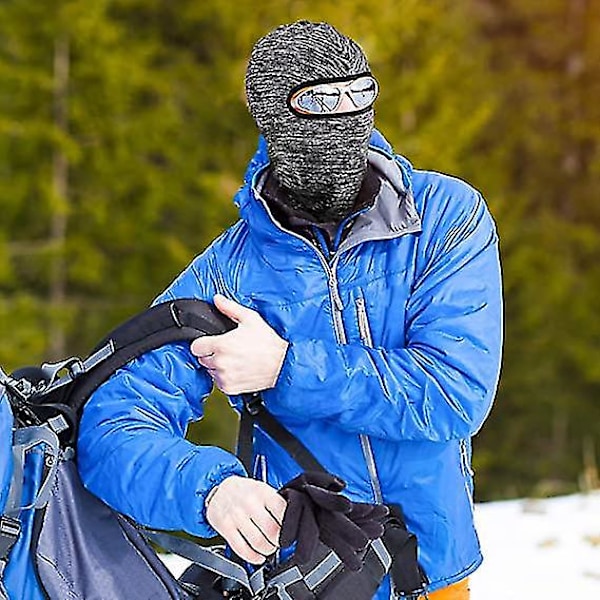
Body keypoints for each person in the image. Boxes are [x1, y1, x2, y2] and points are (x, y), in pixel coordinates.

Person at [78, 20, 502, 600]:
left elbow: (455, 392)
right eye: (322, 100)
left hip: (433, 571)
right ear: (275, 117)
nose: (347, 117)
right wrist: (209, 490)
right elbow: (113, 423)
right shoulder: (228, 274)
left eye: (360, 95)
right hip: (305, 577)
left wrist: (286, 367)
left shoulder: (444, 217)